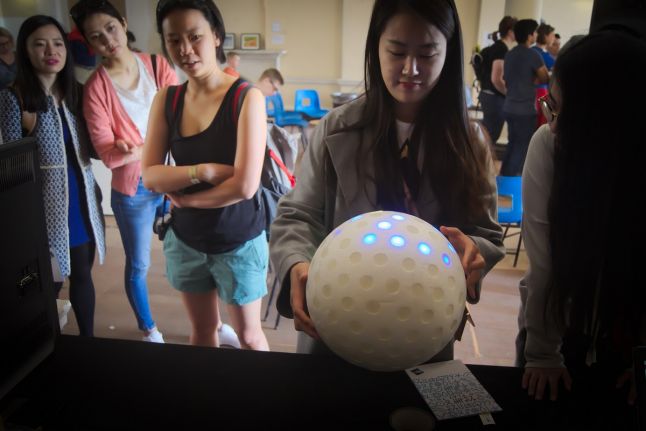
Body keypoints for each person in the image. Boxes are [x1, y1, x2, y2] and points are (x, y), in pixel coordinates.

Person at [270, 0, 505, 358]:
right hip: (337, 324)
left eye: (427, 54)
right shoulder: (336, 128)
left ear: (449, 53)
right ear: (375, 47)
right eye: (396, 52)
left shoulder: (469, 142)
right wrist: (297, 261)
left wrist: (472, 251)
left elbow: (487, 234)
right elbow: (297, 215)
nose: (410, 69)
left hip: (423, 328)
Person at [517, 32, 645, 429]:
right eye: (550, 105)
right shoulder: (547, 145)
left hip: (628, 323)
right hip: (557, 318)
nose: (552, 125)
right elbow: (544, 264)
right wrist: (542, 353)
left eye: (560, 111)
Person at [143, 0, 270, 350]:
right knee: (202, 331)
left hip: (238, 239)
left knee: (249, 336)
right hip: (186, 239)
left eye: (194, 36)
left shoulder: (246, 97)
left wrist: (187, 199)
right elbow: (150, 176)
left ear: (215, 35)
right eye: (174, 40)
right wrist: (206, 171)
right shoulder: (167, 99)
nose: (185, 49)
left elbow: (245, 186)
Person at [71, 0, 179, 343]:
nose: (107, 40)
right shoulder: (96, 88)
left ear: (123, 23)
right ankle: (149, 329)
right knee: (139, 264)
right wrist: (149, 145)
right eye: (96, 36)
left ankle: (210, 323)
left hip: (173, 180)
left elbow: (181, 120)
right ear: (89, 43)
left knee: (191, 254)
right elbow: (108, 155)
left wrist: (133, 148)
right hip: (134, 192)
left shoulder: (157, 65)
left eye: (111, 28)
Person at [0, 15, 106, 337]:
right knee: (49, 283)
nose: (51, 51)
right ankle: (49, 345)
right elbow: (12, 169)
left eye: (58, 43)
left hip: (82, 203)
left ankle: (88, 342)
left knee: (83, 276)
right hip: (44, 210)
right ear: (25, 50)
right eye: (40, 44)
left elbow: (96, 147)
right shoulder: (14, 97)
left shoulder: (77, 93)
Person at [500, 19, 548, 176]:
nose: (536, 35)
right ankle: (511, 180)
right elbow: (545, 77)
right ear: (529, 35)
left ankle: (503, 179)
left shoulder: (509, 54)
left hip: (509, 107)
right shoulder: (533, 55)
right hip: (524, 110)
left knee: (512, 144)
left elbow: (506, 79)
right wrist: (534, 78)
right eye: (535, 32)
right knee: (521, 148)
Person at [478, 16, 517, 145]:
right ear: (510, 31)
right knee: (490, 136)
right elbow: (496, 79)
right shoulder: (501, 48)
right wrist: (510, 94)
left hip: (488, 95)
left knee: (487, 135)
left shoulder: (496, 47)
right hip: (494, 98)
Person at [532, 23, 556, 127]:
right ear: (545, 36)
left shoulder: (541, 52)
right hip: (540, 93)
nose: (553, 38)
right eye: (552, 35)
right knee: (541, 123)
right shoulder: (537, 53)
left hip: (542, 92)